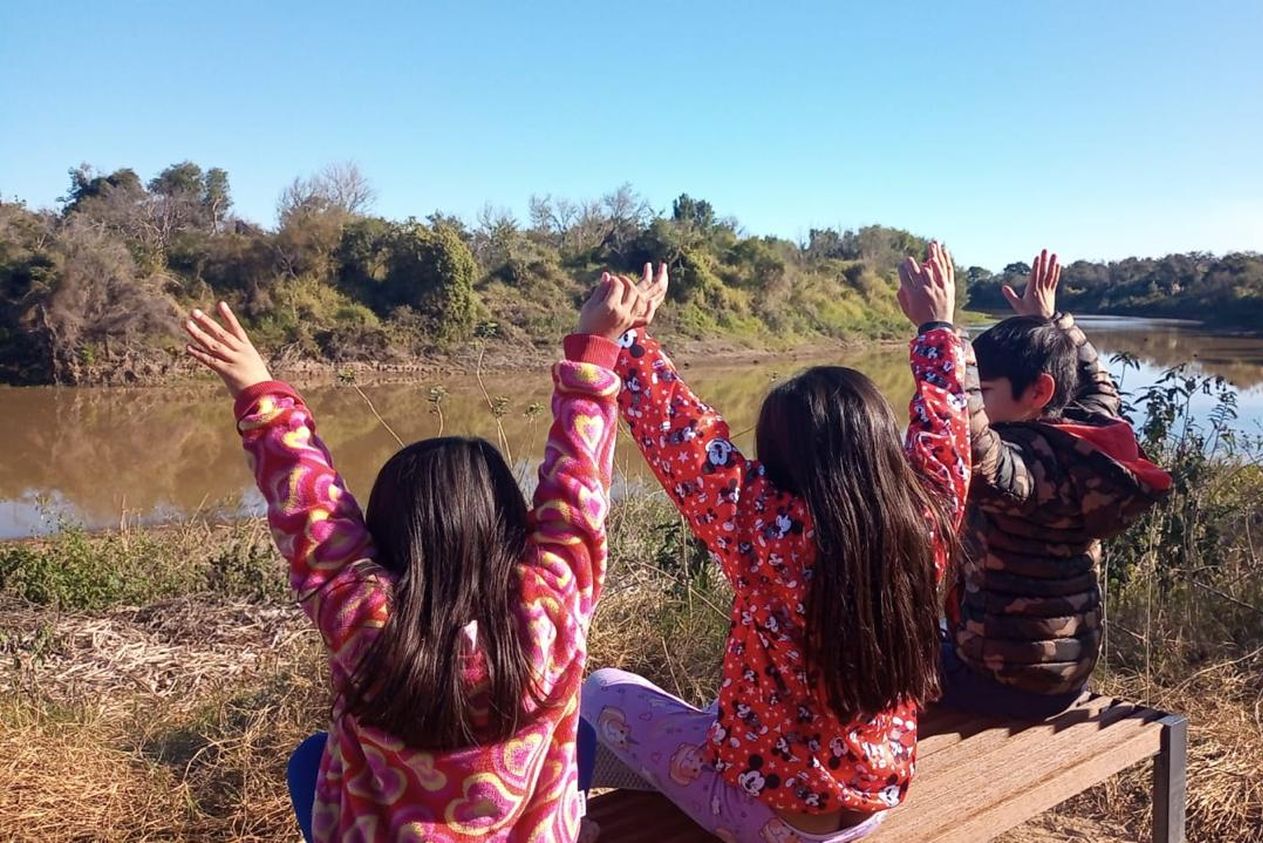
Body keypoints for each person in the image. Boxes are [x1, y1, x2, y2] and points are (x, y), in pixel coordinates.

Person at [181, 275, 639, 841]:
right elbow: (578, 493)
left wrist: (259, 391)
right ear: (510, 526)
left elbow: (313, 512)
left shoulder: (363, 618)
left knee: (309, 762)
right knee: (581, 737)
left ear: (386, 536)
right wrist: (596, 348)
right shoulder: (549, 606)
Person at [580, 245, 970, 842]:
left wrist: (626, 339)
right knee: (719, 714)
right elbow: (945, 425)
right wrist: (936, 327)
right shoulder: (926, 514)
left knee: (603, 691)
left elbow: (680, 431)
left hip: (770, 820)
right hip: (873, 803)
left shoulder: (760, 527)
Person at [942, 250, 1171, 721]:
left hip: (1001, 682)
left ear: (1039, 393)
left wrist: (942, 337)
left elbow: (972, 444)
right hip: (1067, 677)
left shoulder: (1030, 464)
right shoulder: (1085, 440)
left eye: (984, 392)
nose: (977, 404)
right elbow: (1099, 385)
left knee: (879, 655)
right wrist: (1052, 324)